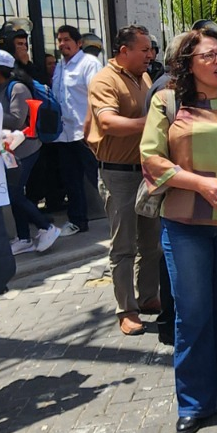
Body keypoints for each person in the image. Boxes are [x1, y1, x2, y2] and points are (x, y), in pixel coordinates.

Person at [140, 30, 217, 433]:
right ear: (187, 63)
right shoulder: (168, 100)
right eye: (208, 55)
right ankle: (195, 402)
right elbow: (151, 158)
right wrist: (198, 183)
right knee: (193, 313)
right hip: (185, 222)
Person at [85, 27, 159, 335]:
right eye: (144, 50)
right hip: (118, 174)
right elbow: (107, 122)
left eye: (150, 50)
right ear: (124, 51)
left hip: (145, 170)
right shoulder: (105, 80)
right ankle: (126, 309)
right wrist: (151, 123)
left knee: (151, 242)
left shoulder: (144, 77)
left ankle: (148, 296)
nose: (150, 55)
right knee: (124, 245)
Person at [0, 50, 60, 257]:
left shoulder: (18, 88)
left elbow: (16, 120)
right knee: (14, 193)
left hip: (25, 148)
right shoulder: (2, 88)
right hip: (10, 149)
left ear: (0, 69)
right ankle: (23, 238)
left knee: (13, 193)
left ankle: (46, 227)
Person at [50, 24, 102, 235]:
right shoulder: (59, 67)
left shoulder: (89, 64)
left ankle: (121, 219)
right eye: (60, 40)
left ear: (78, 43)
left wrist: (92, 130)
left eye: (67, 40)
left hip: (85, 133)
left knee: (98, 179)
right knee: (71, 181)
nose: (62, 44)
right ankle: (77, 221)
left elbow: (96, 97)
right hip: (64, 135)